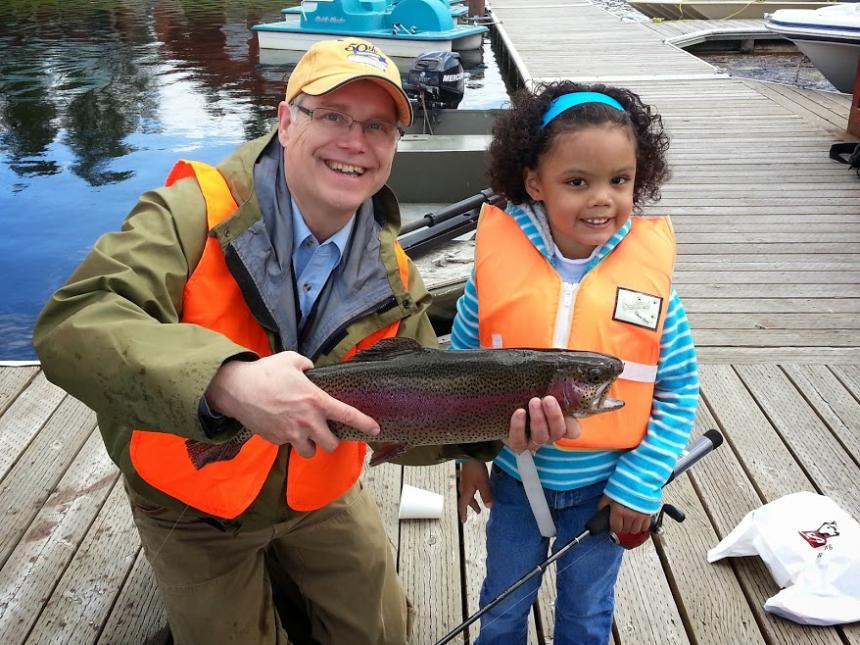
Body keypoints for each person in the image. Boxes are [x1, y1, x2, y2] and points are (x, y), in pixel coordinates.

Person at [33, 37, 576, 645]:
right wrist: (227, 382)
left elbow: (413, 422)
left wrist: (489, 427)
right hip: (192, 500)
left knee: (383, 636)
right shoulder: (187, 212)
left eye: (377, 126)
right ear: (287, 122)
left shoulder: (395, 274)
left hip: (312, 496)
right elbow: (76, 320)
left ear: (394, 147)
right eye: (333, 116)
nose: (355, 142)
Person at [454, 81, 700, 645]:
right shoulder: (491, 275)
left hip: (604, 491)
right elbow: (459, 375)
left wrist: (640, 485)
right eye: (576, 182)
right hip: (517, 484)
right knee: (501, 608)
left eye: (620, 180)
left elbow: (679, 391)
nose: (601, 199)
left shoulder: (658, 293)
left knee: (586, 616)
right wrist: (470, 456)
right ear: (534, 183)